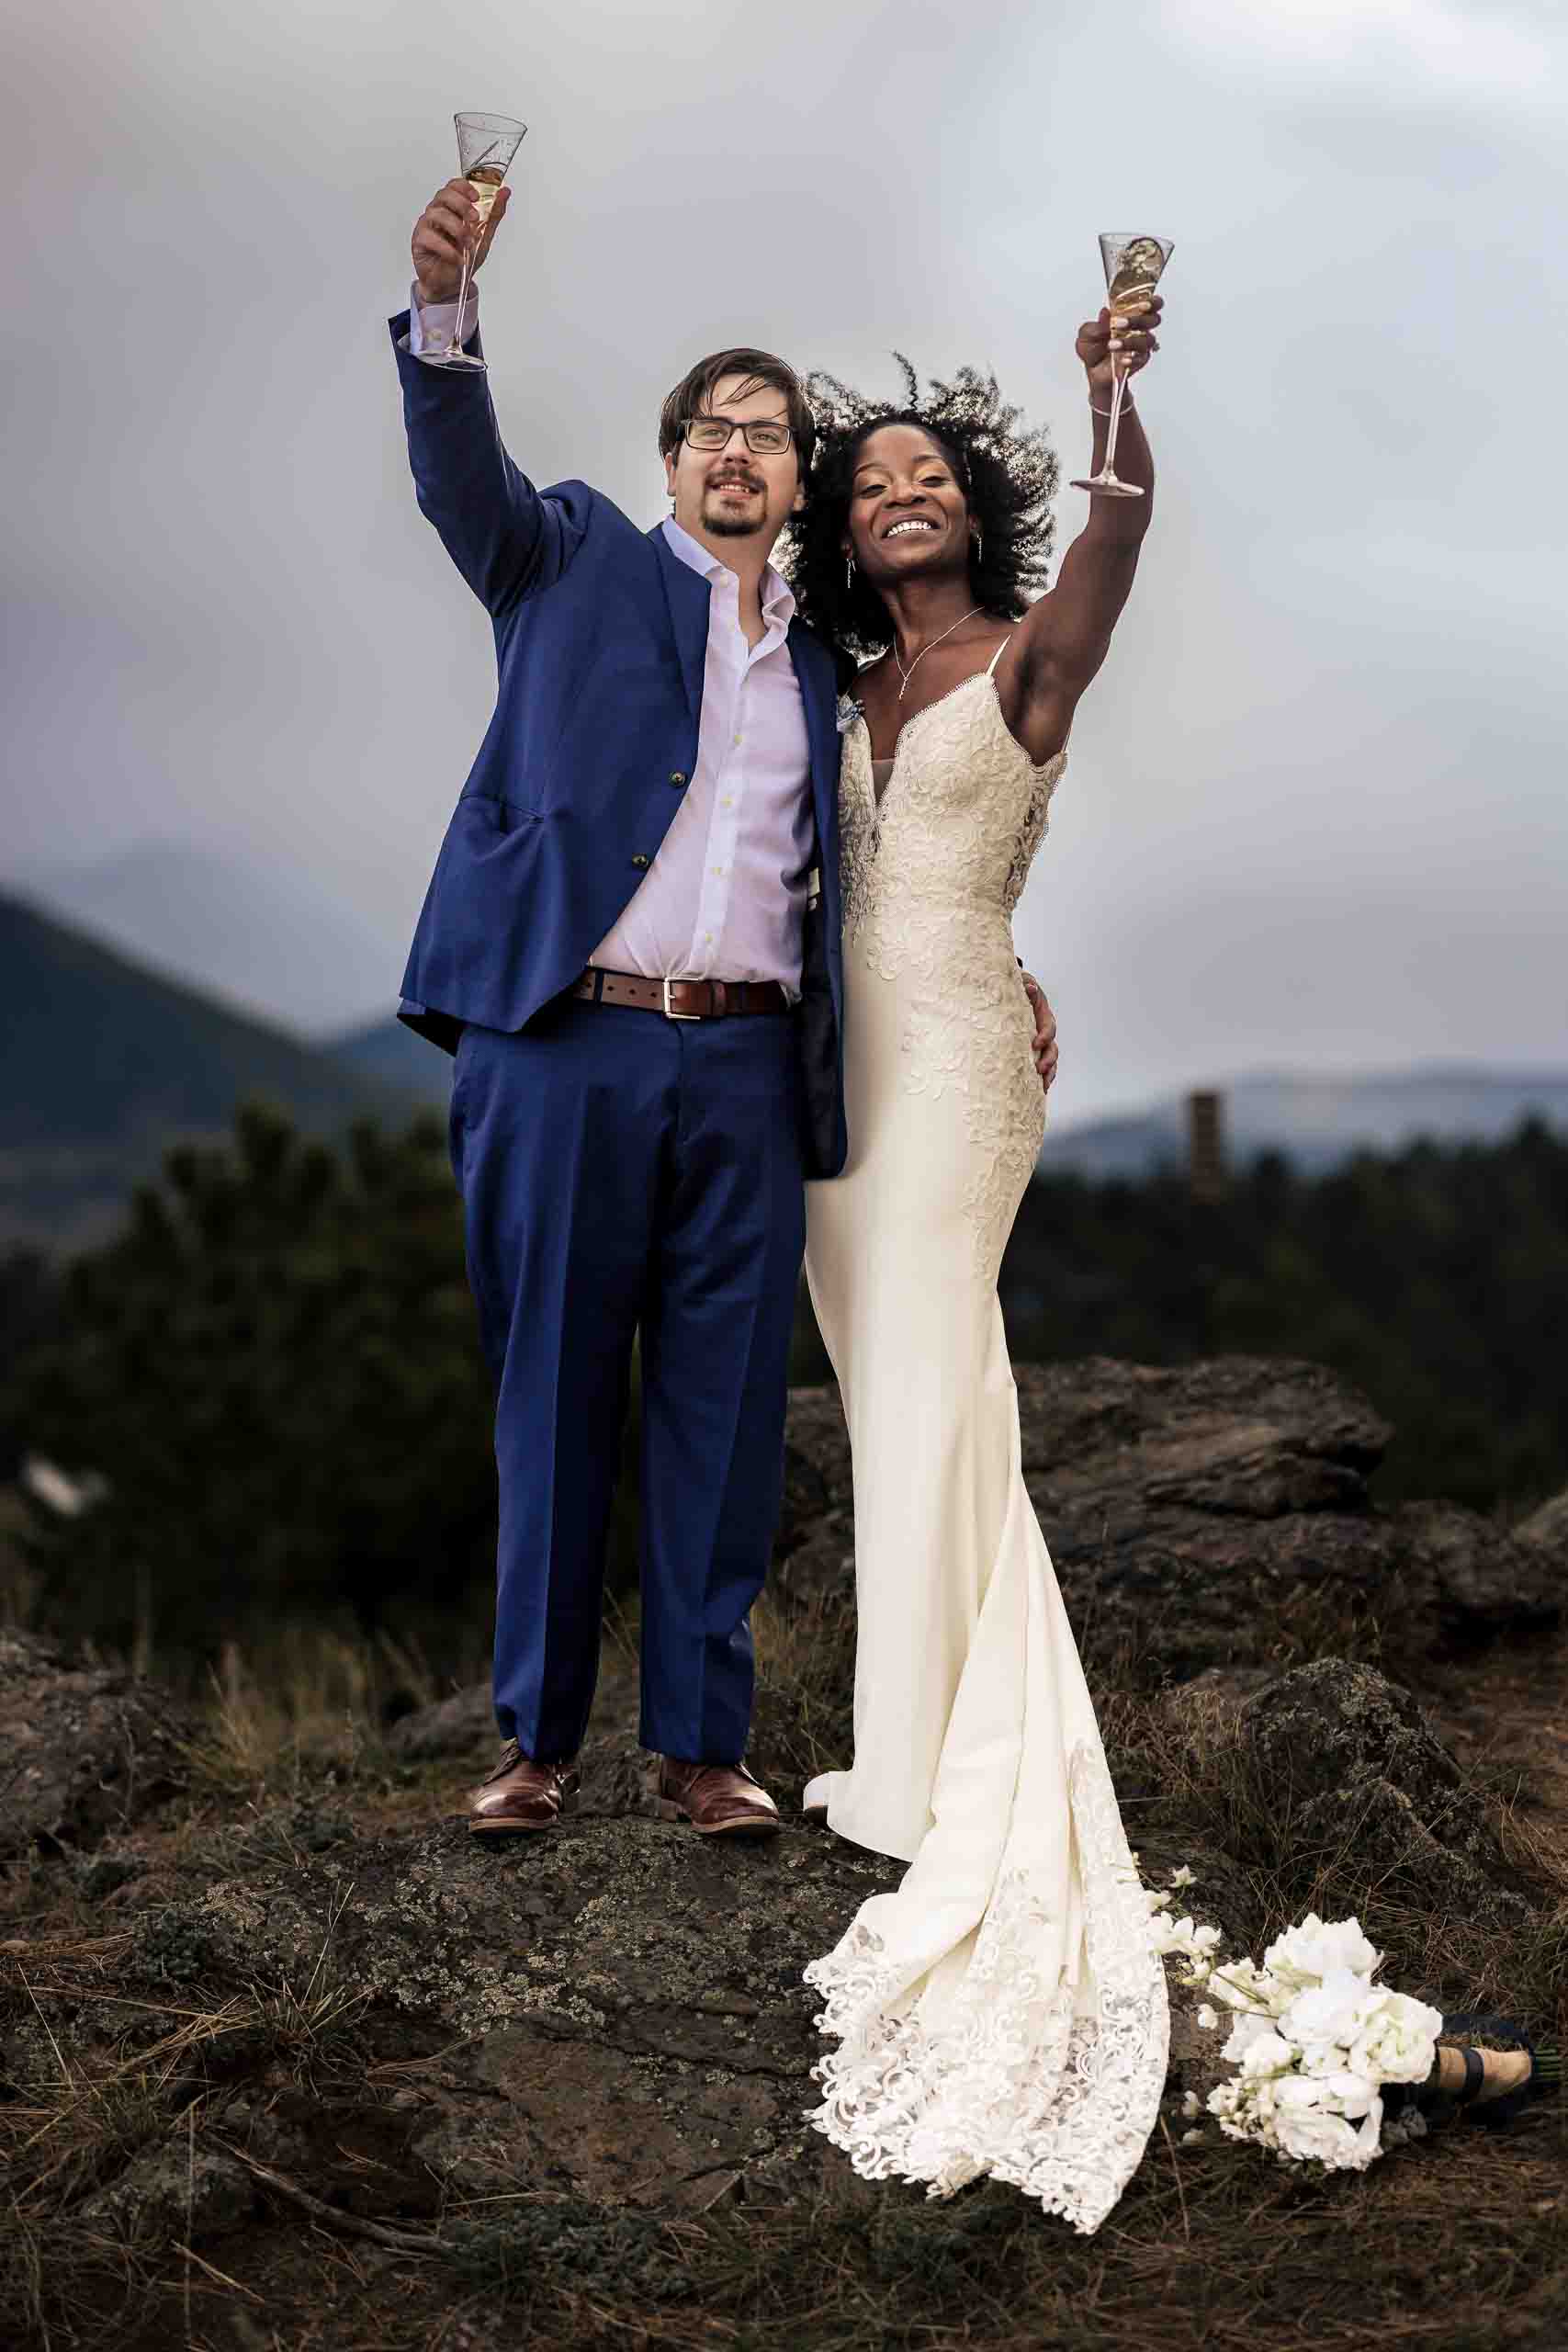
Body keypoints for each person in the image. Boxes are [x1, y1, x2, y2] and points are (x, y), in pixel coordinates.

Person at [387, 178, 1060, 1843]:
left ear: (798, 481)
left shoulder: (826, 666)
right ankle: (535, 1744)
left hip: (754, 1064)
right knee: (554, 1394)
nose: (739, 451)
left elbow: (896, 853)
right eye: (713, 428)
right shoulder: (563, 559)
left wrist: (1004, 964)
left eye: (769, 434)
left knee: (726, 1405)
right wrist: (448, 313)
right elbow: (457, 473)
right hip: (566, 1044)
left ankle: (704, 1750)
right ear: (674, 459)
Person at [786, 312, 1172, 2229]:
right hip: (824, 1095)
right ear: (847, 530)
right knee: (897, 1409)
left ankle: (929, 1770)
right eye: (872, 485)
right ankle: (916, 1732)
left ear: (971, 504)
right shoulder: (831, 682)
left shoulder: (1026, 659)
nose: (902, 494)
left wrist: (1113, 397)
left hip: (952, 1066)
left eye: (928, 474)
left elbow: (1118, 538)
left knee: (936, 1375)